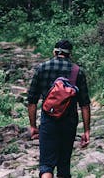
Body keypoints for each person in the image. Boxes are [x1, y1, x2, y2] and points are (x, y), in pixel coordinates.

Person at [26, 39, 91, 178]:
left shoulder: (42, 68)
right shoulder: (77, 71)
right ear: (70, 54)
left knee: (46, 165)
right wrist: (86, 130)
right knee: (63, 165)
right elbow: (85, 104)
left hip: (48, 121)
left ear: (54, 52)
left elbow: (32, 101)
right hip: (69, 122)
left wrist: (33, 126)